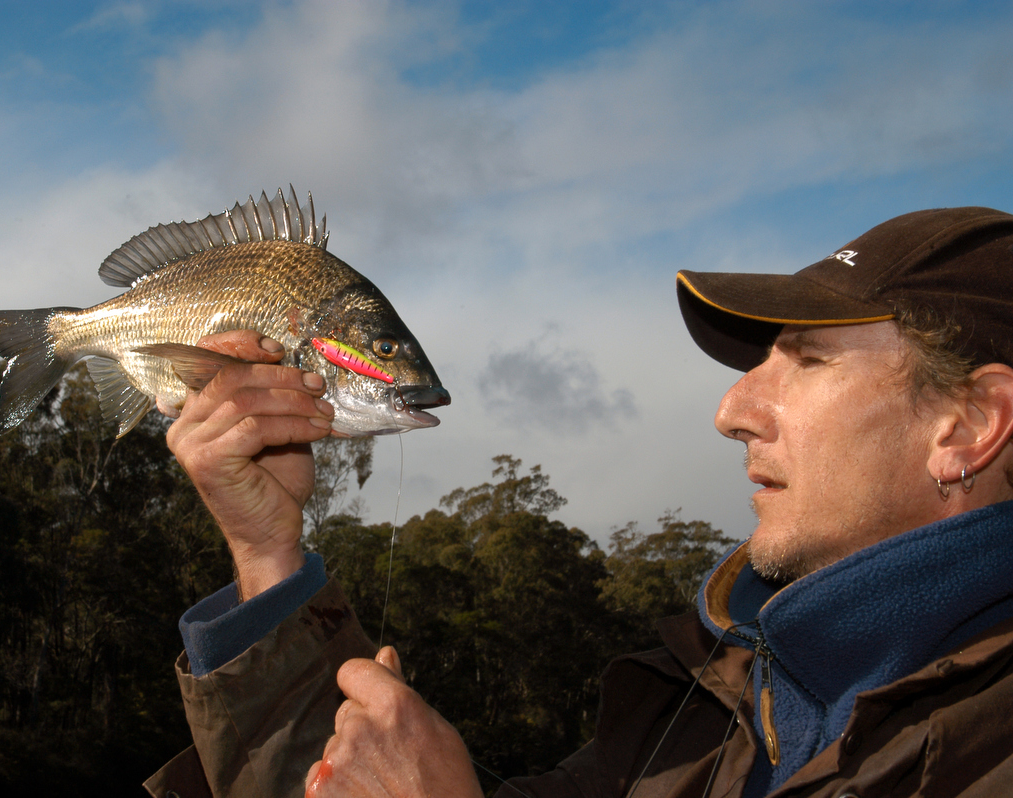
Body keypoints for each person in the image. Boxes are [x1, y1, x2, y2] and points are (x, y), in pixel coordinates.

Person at [143, 207, 1013, 798]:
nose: (732, 411)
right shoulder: (695, 714)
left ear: (969, 426)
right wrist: (268, 555)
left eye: (808, 361)